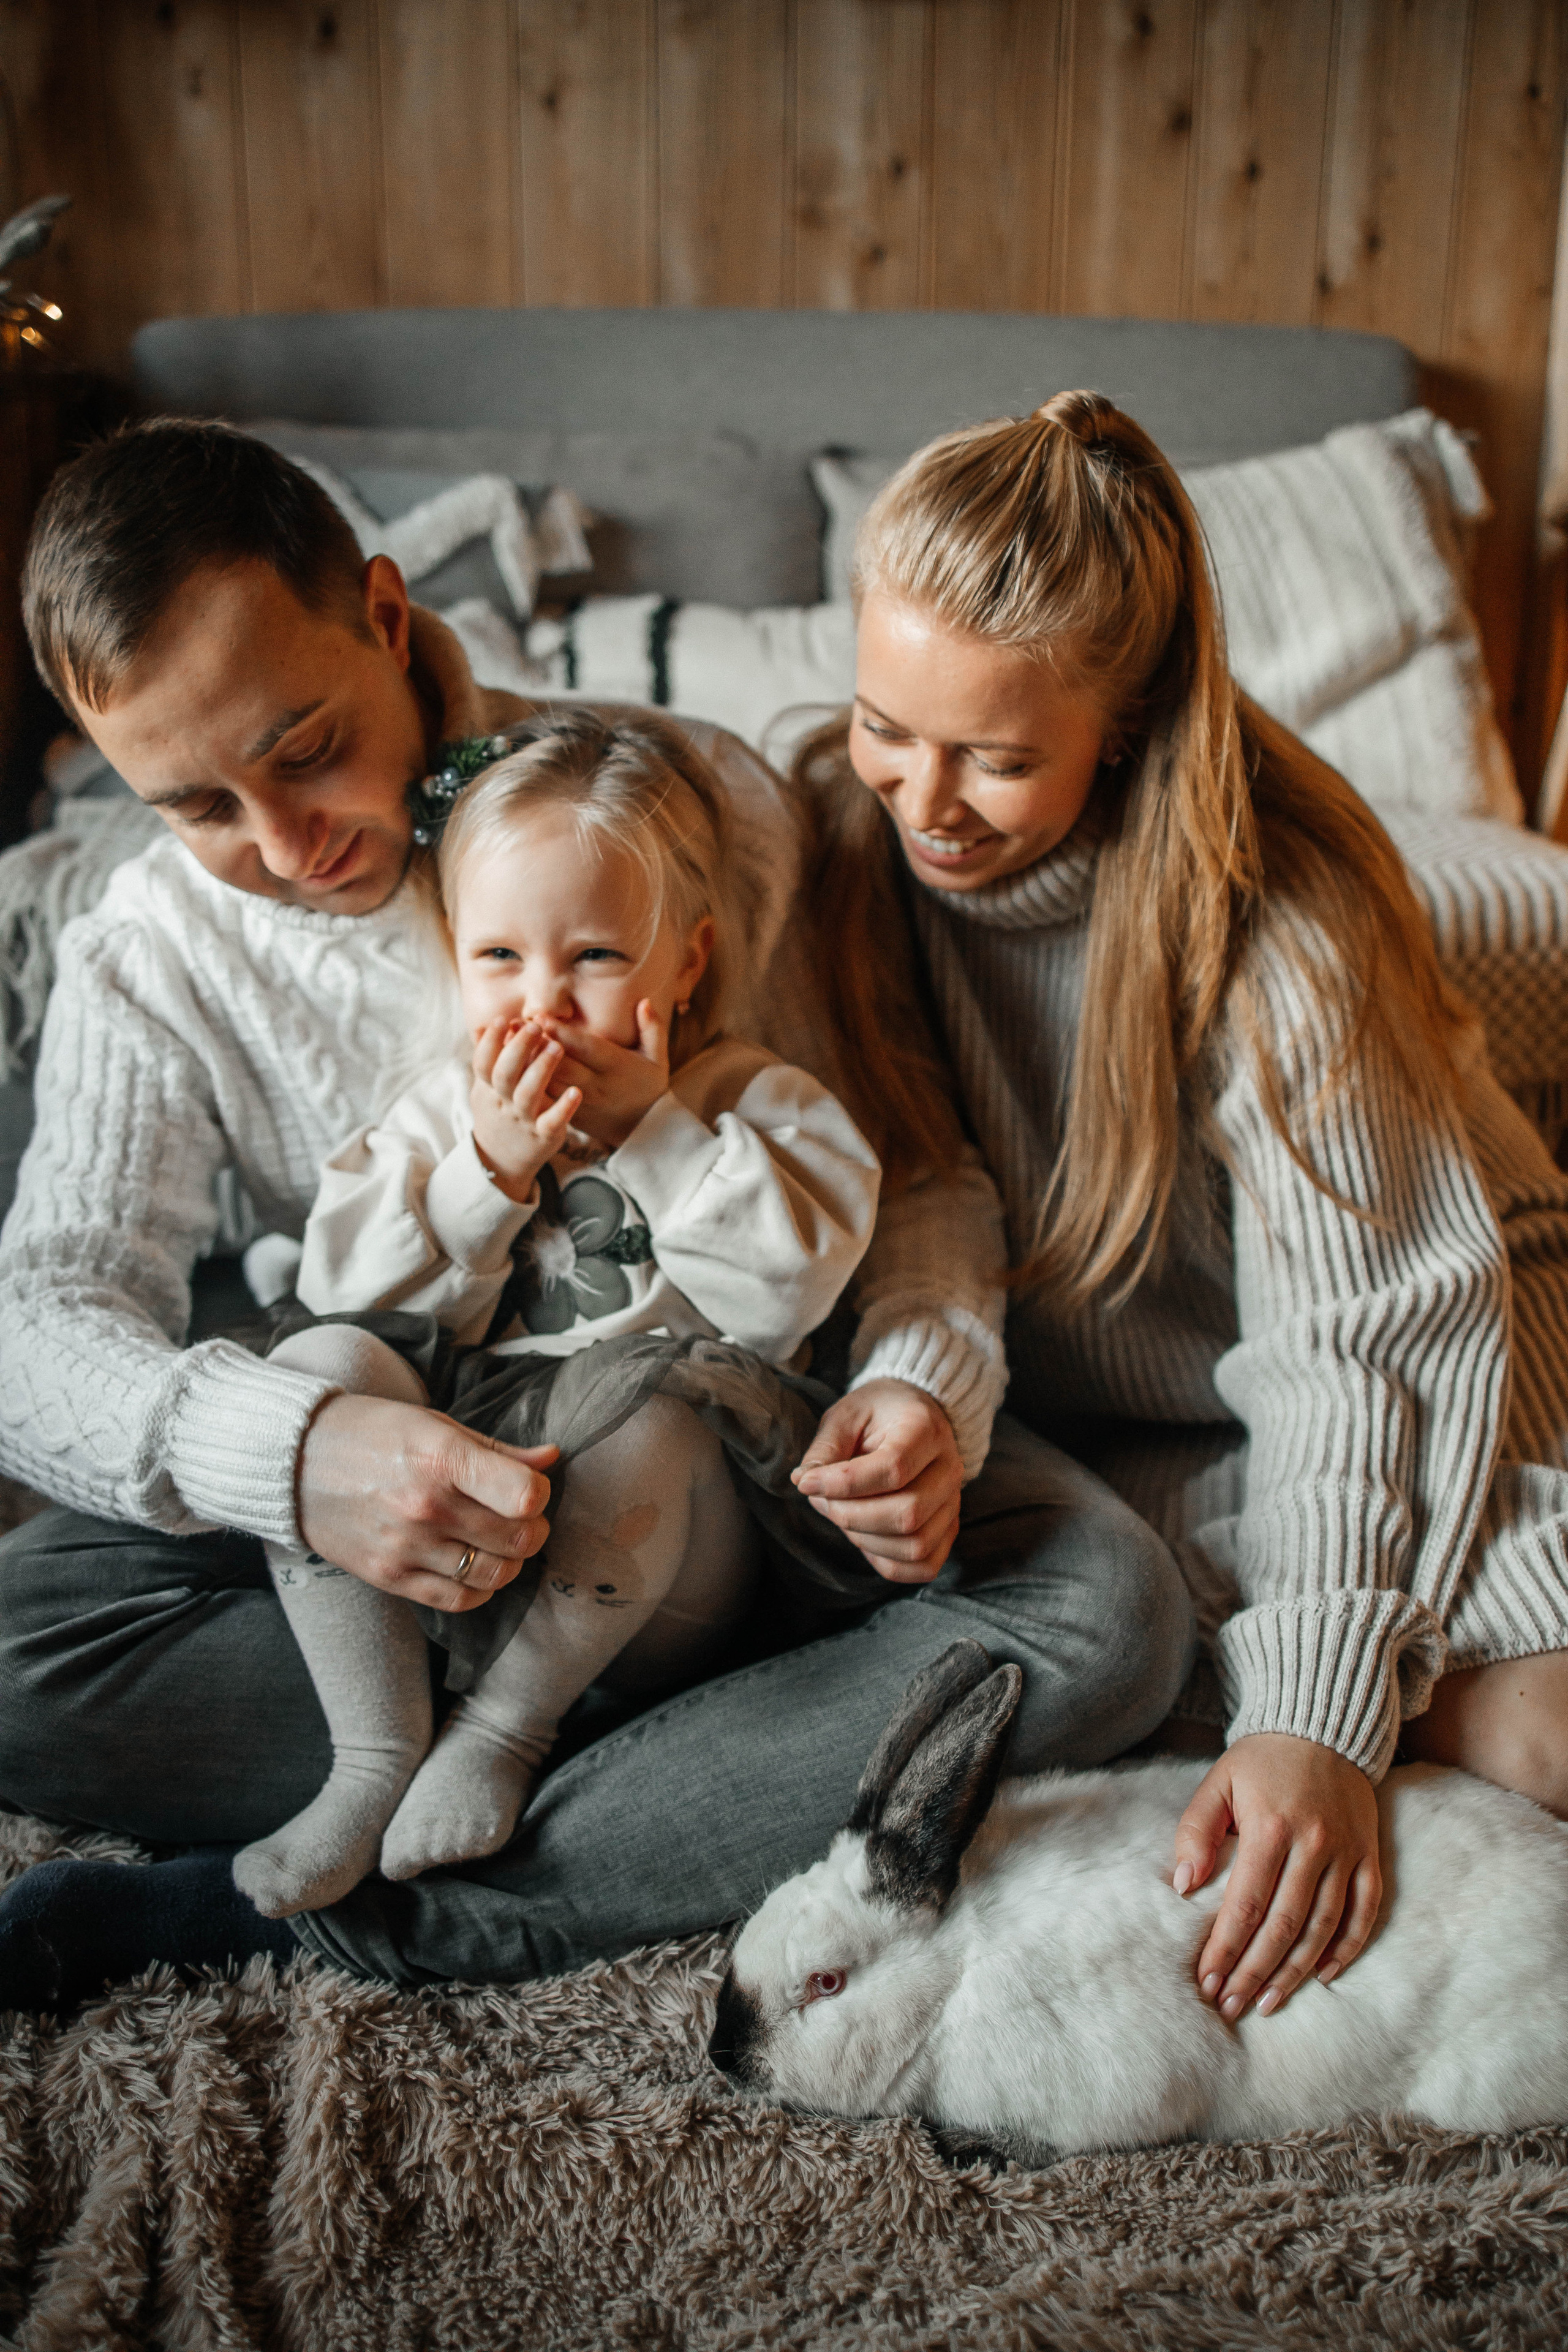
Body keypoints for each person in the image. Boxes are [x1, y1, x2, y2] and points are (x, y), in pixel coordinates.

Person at [0, 419, 1190, 2011]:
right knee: (21, 1644)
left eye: (302, 749)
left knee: (1108, 1610)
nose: (285, 850)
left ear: (383, 609)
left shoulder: (691, 809)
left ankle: (337, 1899)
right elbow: (42, 1315)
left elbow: (906, 1170)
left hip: (736, 1429)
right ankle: (657, 1741)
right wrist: (302, 1460)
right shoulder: (151, 945)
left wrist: (923, 1386)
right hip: (417, 1455)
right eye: (198, 808)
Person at [790, 388, 1568, 2035]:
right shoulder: (831, 836)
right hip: (1143, 1416)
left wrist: (1319, 1713)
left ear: (1126, 723)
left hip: (1428, 1354)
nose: (922, 798)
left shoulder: (1282, 927)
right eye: (885, 724)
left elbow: (1355, 1341)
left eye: (998, 758)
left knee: (1535, 1728)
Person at [238, 710, 882, 1918]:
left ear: (683, 964)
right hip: (457, 1525)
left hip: (668, 1556)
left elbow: (784, 1293)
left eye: (591, 957)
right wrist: (483, 1177)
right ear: (455, 955)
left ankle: (502, 1731)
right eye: (499, 960)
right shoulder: (443, 1111)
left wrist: (655, 1131)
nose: (542, 1004)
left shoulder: (753, 1104)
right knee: (311, 1375)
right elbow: (356, 1301)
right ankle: (372, 1757)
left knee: (648, 1409)